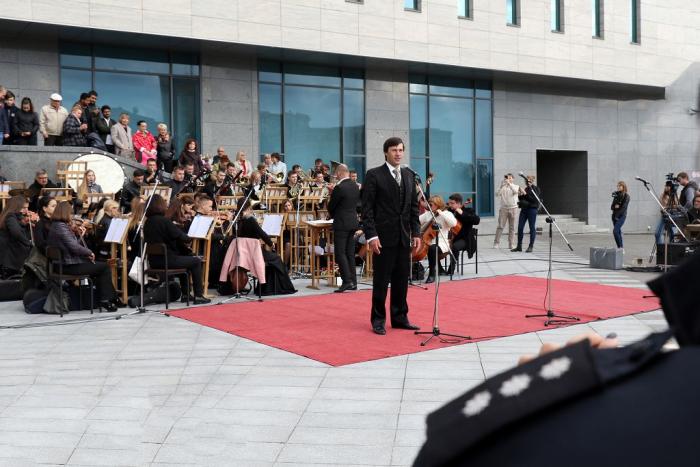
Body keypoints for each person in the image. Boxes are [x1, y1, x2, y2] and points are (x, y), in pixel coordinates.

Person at [361, 136, 421, 335]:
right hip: (382, 238)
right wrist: (371, 236)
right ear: (386, 152)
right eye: (394, 150)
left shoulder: (409, 175)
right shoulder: (374, 175)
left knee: (401, 281)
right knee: (381, 281)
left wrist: (416, 232)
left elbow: (413, 208)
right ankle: (378, 320)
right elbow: (367, 209)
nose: (398, 154)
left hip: (404, 237)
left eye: (401, 150)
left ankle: (400, 317)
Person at [47, 201, 117, 312]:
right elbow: (74, 247)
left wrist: (81, 236)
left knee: (99, 266)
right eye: (70, 213)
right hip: (67, 266)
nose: (71, 216)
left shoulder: (57, 225)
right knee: (104, 267)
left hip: (65, 264)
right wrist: (89, 252)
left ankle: (108, 299)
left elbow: (73, 246)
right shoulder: (60, 227)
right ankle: (106, 300)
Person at [143, 194, 210, 304]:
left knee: (186, 259)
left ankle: (186, 295)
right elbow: (184, 238)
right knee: (196, 261)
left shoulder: (147, 222)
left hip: (154, 261)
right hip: (167, 260)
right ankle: (198, 295)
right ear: (160, 205)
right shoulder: (163, 221)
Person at [231, 198, 296, 295]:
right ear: (248, 207)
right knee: (276, 258)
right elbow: (262, 234)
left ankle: (266, 287)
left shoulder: (237, 221)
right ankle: (275, 288)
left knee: (271, 256)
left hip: (243, 255)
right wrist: (271, 244)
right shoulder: (250, 220)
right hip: (254, 255)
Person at [327, 163, 360, 293]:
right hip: (353, 222)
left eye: (336, 173)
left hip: (341, 223)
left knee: (340, 253)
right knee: (350, 253)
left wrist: (331, 194)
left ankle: (346, 281)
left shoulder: (339, 187)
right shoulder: (355, 186)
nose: (335, 175)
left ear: (340, 173)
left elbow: (331, 206)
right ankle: (353, 282)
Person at [419, 195, 457, 284]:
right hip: (428, 241)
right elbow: (417, 220)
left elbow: (453, 224)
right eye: (429, 204)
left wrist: (442, 214)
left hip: (442, 242)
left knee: (432, 248)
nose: (429, 206)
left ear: (437, 204)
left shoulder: (447, 213)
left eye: (431, 205)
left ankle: (432, 274)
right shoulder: (428, 214)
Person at [446, 194, 480, 273]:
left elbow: (477, 220)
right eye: (449, 203)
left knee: (454, 247)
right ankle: (439, 268)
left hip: (466, 239)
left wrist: (462, 213)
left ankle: (452, 267)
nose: (450, 205)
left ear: (458, 204)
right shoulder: (450, 211)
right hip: (453, 238)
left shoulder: (468, 211)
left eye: (452, 203)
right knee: (437, 247)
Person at [0, 195, 33, 276]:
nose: (26, 210)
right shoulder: (10, 216)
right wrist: (28, 243)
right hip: (9, 257)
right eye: (24, 208)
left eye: (27, 207)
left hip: (10, 255)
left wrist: (25, 223)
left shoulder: (13, 216)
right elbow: (16, 232)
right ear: (16, 206)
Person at [512, 175, 540, 253]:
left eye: (529, 180)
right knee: (520, 227)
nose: (527, 182)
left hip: (532, 210)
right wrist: (519, 195)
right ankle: (519, 246)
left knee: (532, 227)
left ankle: (531, 246)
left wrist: (525, 194)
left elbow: (534, 200)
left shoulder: (536, 189)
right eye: (526, 181)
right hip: (524, 210)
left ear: (532, 181)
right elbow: (523, 199)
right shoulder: (526, 189)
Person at [494, 173, 519, 249]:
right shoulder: (503, 187)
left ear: (513, 179)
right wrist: (501, 186)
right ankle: (496, 243)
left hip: (513, 208)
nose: (508, 179)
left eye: (510, 178)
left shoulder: (516, 186)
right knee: (500, 226)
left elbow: (515, 192)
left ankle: (511, 244)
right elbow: (497, 194)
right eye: (507, 178)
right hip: (503, 209)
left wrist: (509, 184)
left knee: (512, 227)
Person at [611, 180, 630, 250]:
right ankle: (620, 248)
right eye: (617, 186)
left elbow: (624, 208)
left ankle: (620, 248)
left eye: (620, 186)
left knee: (615, 231)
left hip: (621, 216)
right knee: (618, 232)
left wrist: (617, 214)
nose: (618, 187)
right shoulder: (616, 195)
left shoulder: (627, 196)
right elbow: (612, 207)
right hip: (614, 216)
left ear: (623, 186)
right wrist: (615, 207)